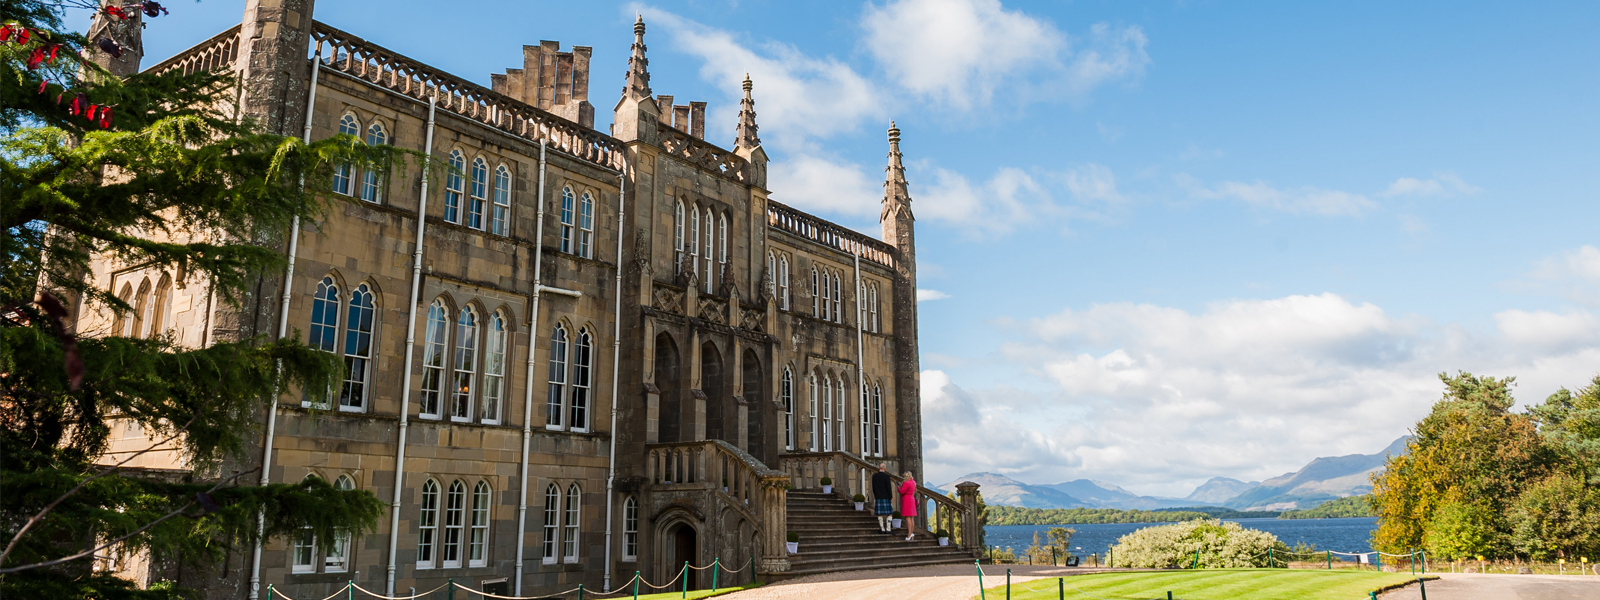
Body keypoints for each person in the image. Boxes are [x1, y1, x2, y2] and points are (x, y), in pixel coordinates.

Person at [870, 463, 894, 534]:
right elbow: (889, 488)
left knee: (879, 514)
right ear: (884, 468)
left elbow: (873, 488)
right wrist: (891, 497)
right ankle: (888, 529)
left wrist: (876, 495)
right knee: (890, 514)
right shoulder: (886, 476)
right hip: (886, 497)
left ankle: (882, 529)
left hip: (878, 497)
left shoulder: (874, 476)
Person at [898, 471, 918, 541]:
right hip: (912, 499)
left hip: (907, 500)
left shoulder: (906, 483)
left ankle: (909, 534)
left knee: (908, 518)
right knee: (912, 518)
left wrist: (899, 487)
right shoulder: (913, 482)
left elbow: (902, 491)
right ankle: (912, 532)